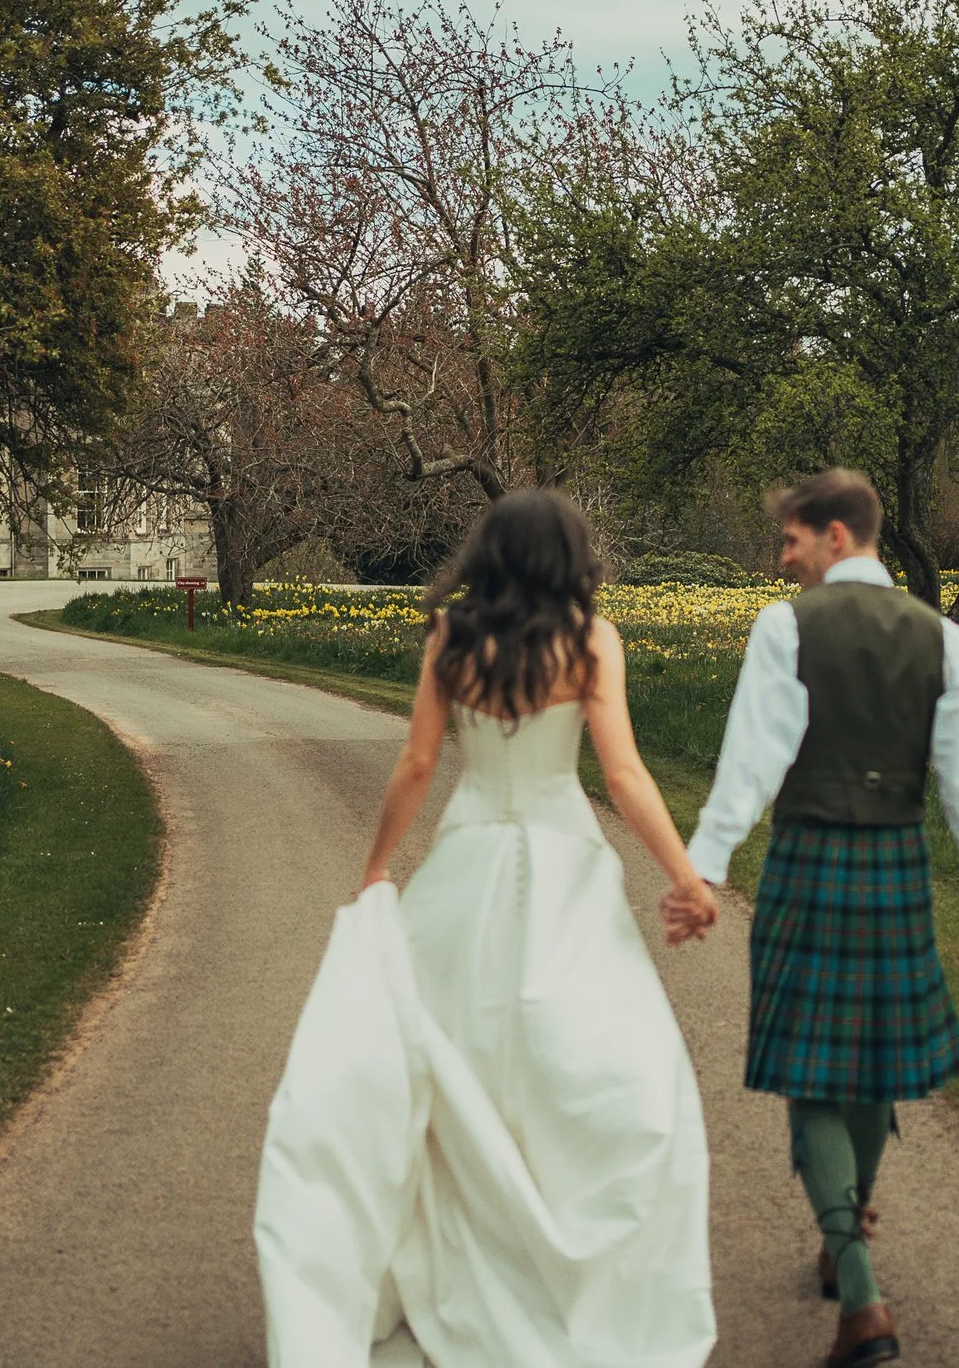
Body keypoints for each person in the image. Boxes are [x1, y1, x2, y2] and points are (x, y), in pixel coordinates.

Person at [255, 489, 721, 1368]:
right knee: (579, 1059)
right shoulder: (589, 642)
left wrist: (375, 869)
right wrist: (685, 876)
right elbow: (621, 774)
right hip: (564, 863)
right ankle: (561, 1260)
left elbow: (420, 761)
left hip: (467, 856)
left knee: (450, 1054)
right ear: (570, 558)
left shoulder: (453, 640)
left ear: (490, 555)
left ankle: (459, 1246)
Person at [671, 468, 959, 1368]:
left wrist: (705, 866)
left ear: (834, 534)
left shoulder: (787, 626)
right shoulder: (940, 636)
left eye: (790, 541)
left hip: (810, 860)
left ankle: (858, 1286)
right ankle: (844, 1236)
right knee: (868, 1071)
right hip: (896, 868)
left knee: (810, 1071)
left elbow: (752, 757)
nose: (783, 560)